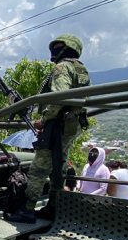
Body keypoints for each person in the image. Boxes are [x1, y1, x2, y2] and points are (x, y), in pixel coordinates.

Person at [6, 34, 90, 223]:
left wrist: (43, 120)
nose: (54, 51)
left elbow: (59, 97)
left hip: (57, 124)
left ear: (68, 48)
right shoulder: (80, 68)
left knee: (39, 168)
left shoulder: (62, 67)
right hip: (70, 125)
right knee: (58, 167)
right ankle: (54, 207)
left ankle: (26, 210)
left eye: (58, 47)